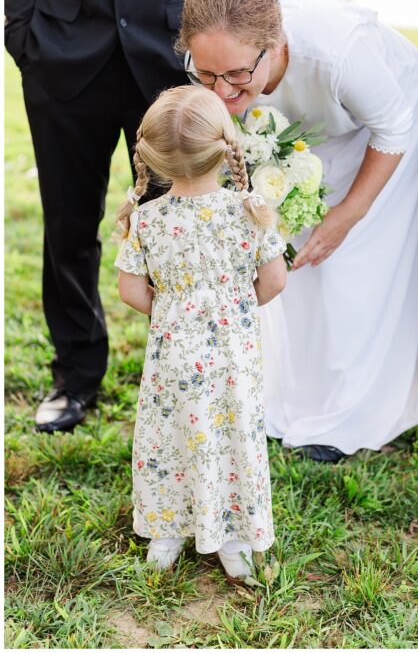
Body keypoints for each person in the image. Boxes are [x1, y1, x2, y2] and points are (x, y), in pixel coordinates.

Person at [4, 0, 252, 434]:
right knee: (68, 225)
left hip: (173, 61)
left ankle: (192, 373)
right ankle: (75, 375)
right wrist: (21, 36)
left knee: (191, 226)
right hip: (63, 55)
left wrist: (217, 60)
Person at [177, 0, 418, 463]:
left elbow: (394, 129)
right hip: (301, 134)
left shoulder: (338, 53)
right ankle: (295, 400)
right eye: (206, 74)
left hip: (390, 123)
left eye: (237, 74)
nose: (223, 91)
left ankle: (357, 415)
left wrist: (347, 215)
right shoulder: (214, 62)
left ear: (276, 45)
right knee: (293, 259)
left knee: (356, 264)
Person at [114, 86, 286, 578]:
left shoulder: (147, 219)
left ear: (152, 157)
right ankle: (233, 539)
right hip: (233, 355)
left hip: (172, 355)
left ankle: (166, 534)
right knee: (231, 435)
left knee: (168, 436)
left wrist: (172, 309)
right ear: (224, 146)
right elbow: (274, 280)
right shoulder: (249, 210)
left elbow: (130, 291)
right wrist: (232, 307)